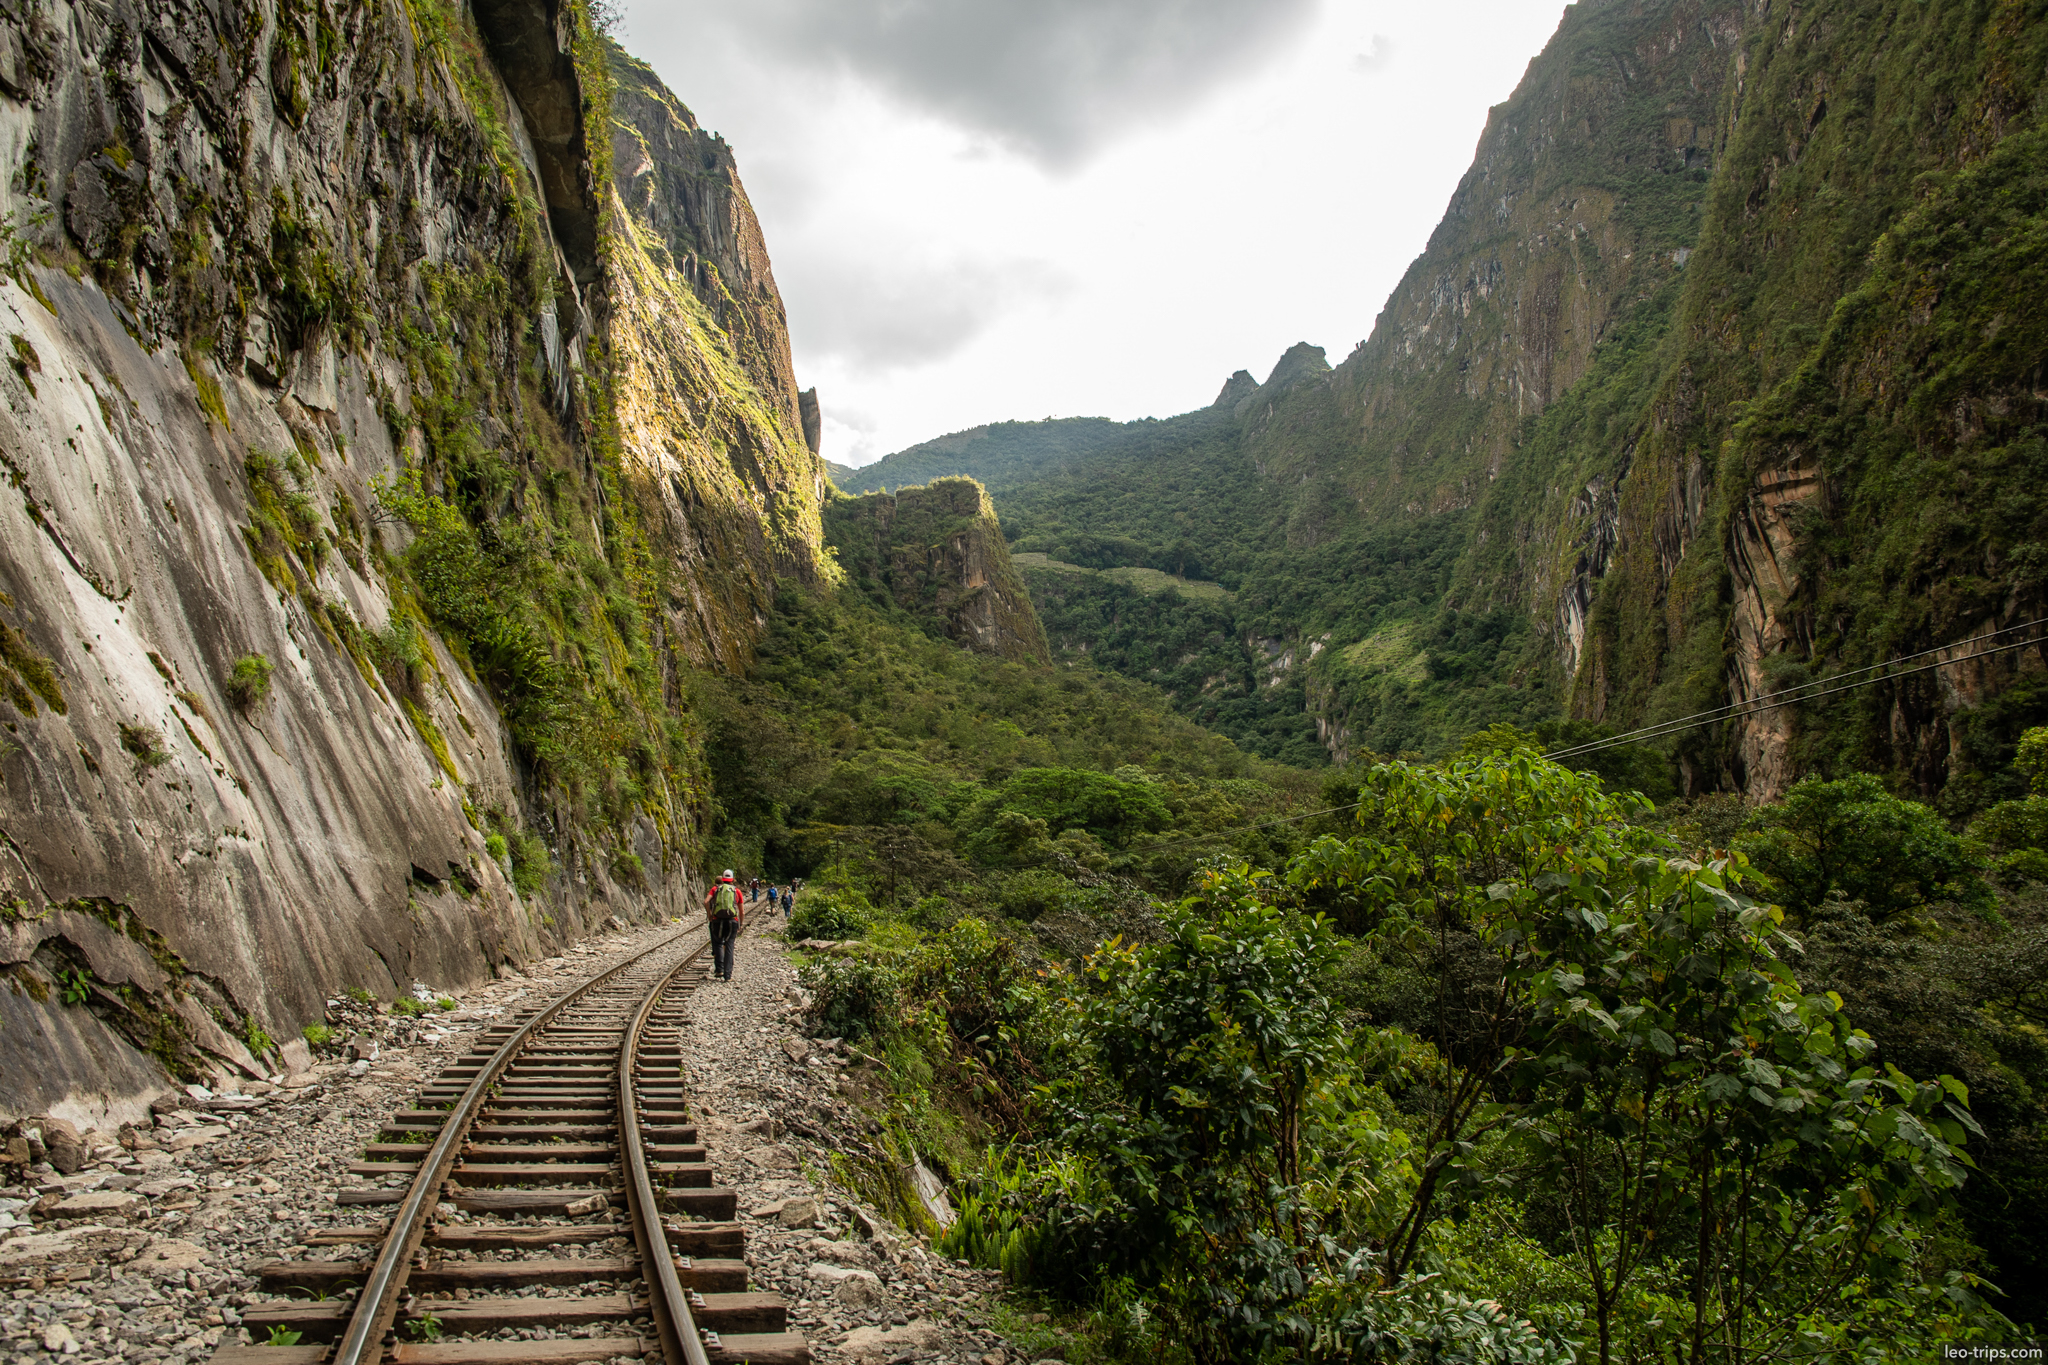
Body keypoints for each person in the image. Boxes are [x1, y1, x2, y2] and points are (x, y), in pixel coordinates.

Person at [705, 870, 744, 981]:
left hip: (717, 920)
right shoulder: (736, 891)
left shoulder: (715, 889)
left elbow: (706, 902)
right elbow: (742, 911)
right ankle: (728, 976)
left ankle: (719, 970)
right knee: (729, 945)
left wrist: (710, 915)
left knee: (717, 944)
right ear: (733, 879)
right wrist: (740, 924)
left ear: (722, 878)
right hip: (732, 921)